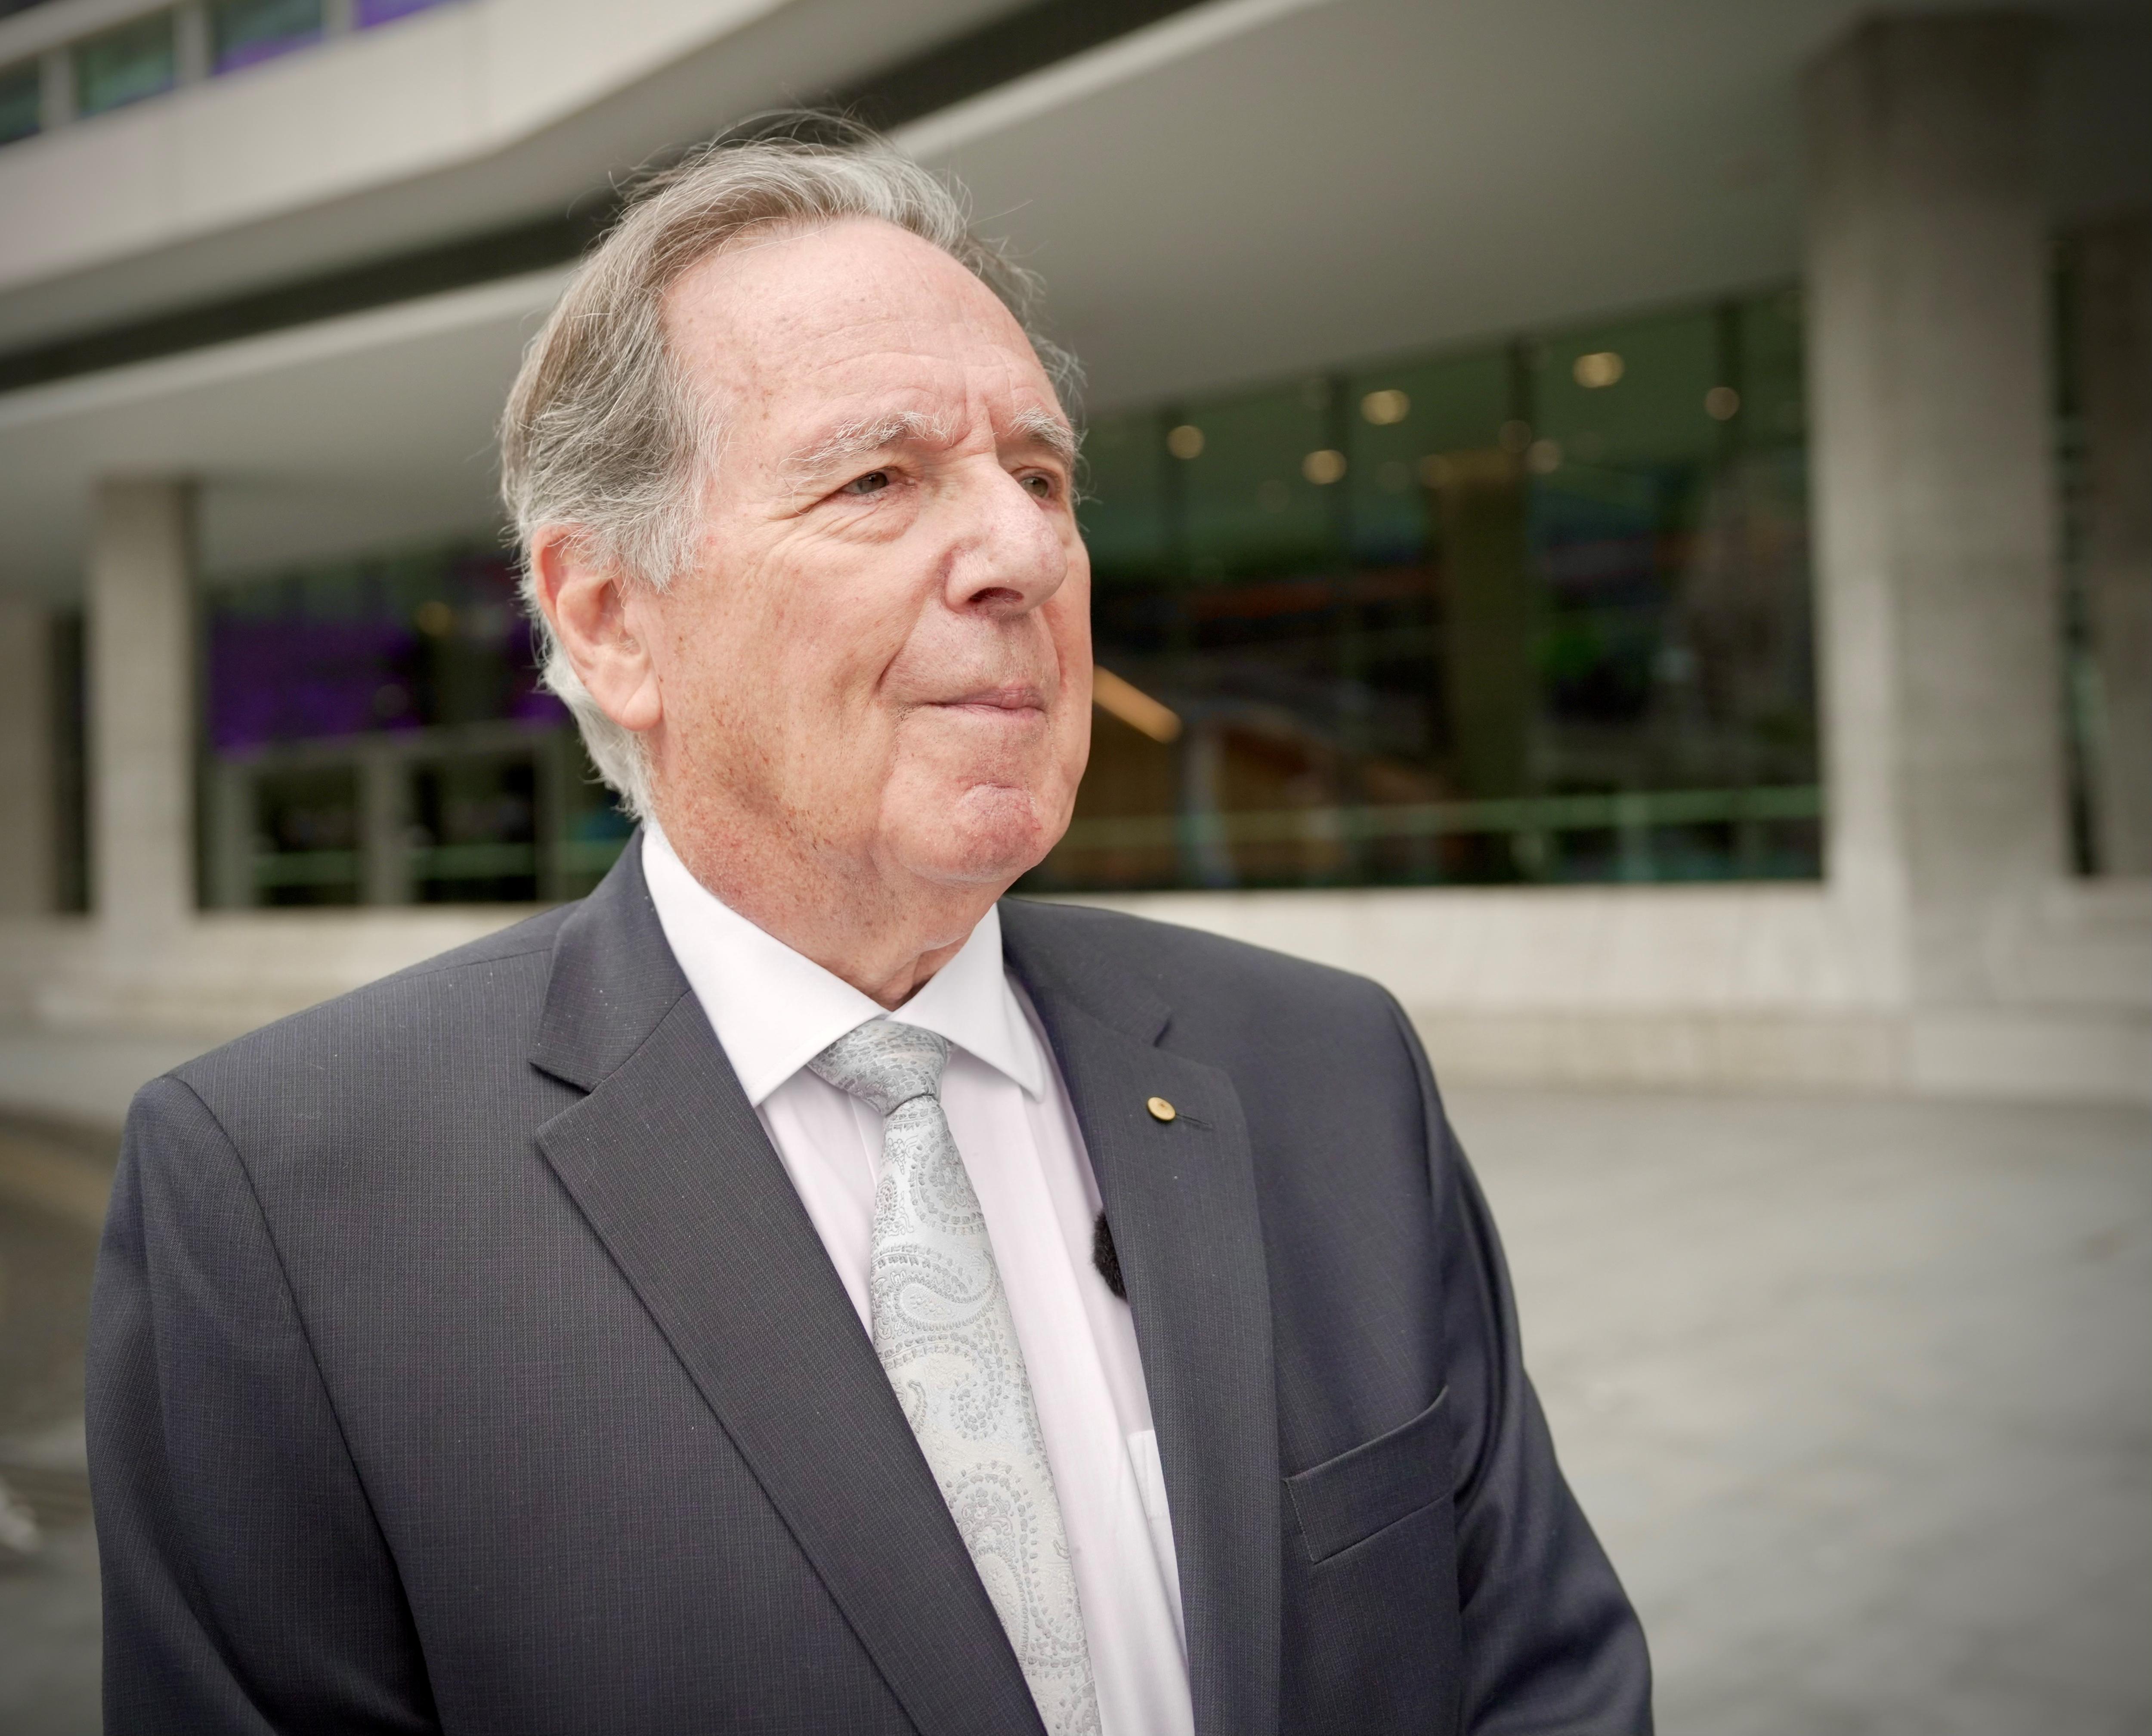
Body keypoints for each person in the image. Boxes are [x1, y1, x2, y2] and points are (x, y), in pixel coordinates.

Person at [87, 124, 1650, 1735]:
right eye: (878, 479)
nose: (1027, 553)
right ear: (612, 619)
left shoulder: (1328, 1069)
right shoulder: (288, 1199)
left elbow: (1543, 1681)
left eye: (1040, 478)